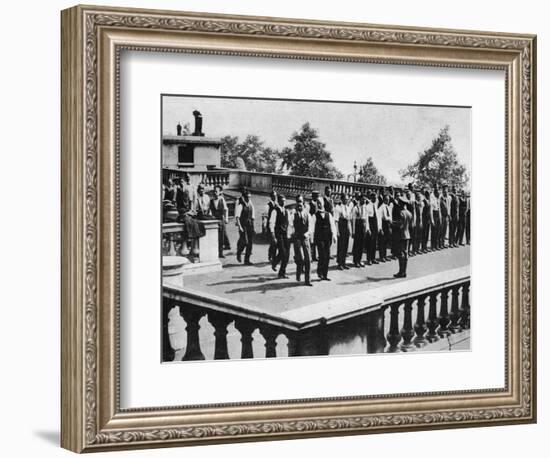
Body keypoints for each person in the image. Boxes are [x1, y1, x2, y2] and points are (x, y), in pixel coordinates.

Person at [269, 195, 292, 279]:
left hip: (286, 234)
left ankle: (282, 272)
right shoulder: (275, 211)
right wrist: (273, 236)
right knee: (282, 251)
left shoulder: (287, 211)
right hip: (278, 234)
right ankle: (274, 262)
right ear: (279, 201)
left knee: (287, 254)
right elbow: (272, 223)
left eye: (284, 200)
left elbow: (289, 223)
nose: (284, 202)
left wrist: (289, 234)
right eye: (282, 201)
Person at [292, 195, 313, 286]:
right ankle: (298, 271)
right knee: (299, 258)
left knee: (308, 259)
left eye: (301, 204)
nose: (300, 207)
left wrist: (307, 234)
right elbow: (290, 225)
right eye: (298, 204)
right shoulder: (293, 214)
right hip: (297, 239)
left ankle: (308, 280)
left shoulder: (307, 215)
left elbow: (311, 227)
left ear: (303, 205)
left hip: (305, 238)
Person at [313, 199, 336, 280]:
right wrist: (313, 239)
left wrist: (334, 236)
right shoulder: (315, 215)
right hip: (319, 238)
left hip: (327, 237)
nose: (319, 204)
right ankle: (320, 272)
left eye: (320, 203)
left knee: (327, 255)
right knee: (322, 255)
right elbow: (313, 228)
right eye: (318, 203)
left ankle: (325, 274)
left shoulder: (328, 214)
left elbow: (332, 225)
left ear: (323, 203)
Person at [394, 196, 413, 278]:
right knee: (406, 254)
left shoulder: (401, 213)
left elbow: (400, 225)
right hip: (407, 234)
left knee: (401, 254)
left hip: (401, 235)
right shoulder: (409, 213)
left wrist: (392, 224)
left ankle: (401, 271)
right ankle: (404, 271)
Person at [235, 188, 255, 265]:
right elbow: (237, 217)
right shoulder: (241, 205)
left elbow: (252, 216)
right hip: (243, 225)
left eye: (250, 197)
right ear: (244, 197)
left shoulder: (250, 204)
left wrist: (253, 227)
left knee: (250, 243)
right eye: (247, 197)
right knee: (245, 242)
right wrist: (239, 226)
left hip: (249, 225)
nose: (248, 198)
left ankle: (247, 260)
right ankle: (239, 252)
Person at [334, 192, 352, 270]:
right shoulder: (338, 208)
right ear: (341, 199)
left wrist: (350, 230)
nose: (346, 201)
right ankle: (339, 263)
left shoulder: (348, 208)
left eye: (347, 199)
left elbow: (349, 220)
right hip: (341, 227)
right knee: (340, 246)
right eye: (345, 199)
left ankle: (343, 262)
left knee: (345, 246)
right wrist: (337, 231)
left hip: (346, 227)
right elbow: (336, 220)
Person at [209, 185, 229, 258]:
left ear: (220, 192)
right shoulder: (211, 201)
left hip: (221, 220)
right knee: (214, 237)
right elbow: (209, 210)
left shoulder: (221, 199)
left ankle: (220, 253)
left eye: (216, 191)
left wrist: (226, 218)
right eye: (214, 191)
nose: (215, 193)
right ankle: (214, 252)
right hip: (214, 220)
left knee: (221, 237)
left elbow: (226, 210)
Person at [351, 193, 370, 267]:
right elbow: (353, 220)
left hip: (363, 226)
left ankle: (359, 260)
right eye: (363, 199)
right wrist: (353, 231)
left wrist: (367, 228)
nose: (364, 201)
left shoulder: (365, 208)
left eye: (365, 199)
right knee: (357, 244)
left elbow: (366, 219)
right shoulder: (356, 208)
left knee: (362, 244)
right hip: (358, 226)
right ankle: (356, 260)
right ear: (360, 199)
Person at [365, 192, 379, 265]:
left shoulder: (375, 206)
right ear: (371, 198)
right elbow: (367, 218)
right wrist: (368, 229)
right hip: (371, 226)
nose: (376, 199)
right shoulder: (368, 206)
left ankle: (373, 258)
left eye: (376, 198)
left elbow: (377, 217)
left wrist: (379, 227)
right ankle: (369, 259)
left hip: (375, 225)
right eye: (374, 198)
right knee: (370, 243)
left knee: (374, 243)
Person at [378, 194, 392, 262]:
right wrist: (380, 228)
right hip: (383, 224)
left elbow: (390, 217)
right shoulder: (381, 207)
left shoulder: (388, 207)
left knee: (386, 241)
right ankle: (381, 256)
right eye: (386, 199)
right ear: (383, 199)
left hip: (387, 225)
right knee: (382, 242)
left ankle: (385, 256)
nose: (387, 201)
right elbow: (380, 218)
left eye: (388, 200)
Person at [266, 190, 279, 262]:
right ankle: (271, 256)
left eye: (275, 196)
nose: (275, 197)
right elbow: (265, 216)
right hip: (271, 225)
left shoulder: (277, 204)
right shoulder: (268, 205)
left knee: (275, 242)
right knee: (273, 242)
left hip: (277, 226)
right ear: (271, 197)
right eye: (273, 196)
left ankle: (272, 255)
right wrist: (265, 226)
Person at [309, 190, 320, 262]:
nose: (317, 197)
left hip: (317, 222)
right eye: (316, 195)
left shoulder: (317, 203)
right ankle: (311, 255)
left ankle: (314, 255)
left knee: (316, 240)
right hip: (312, 222)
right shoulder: (310, 204)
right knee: (312, 240)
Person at [421, 188, 431, 252]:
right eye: (427, 194)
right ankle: (423, 247)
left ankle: (425, 247)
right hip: (424, 219)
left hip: (428, 219)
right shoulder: (423, 201)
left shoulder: (429, 201)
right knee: (424, 233)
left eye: (429, 194)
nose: (428, 195)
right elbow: (422, 211)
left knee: (427, 233)